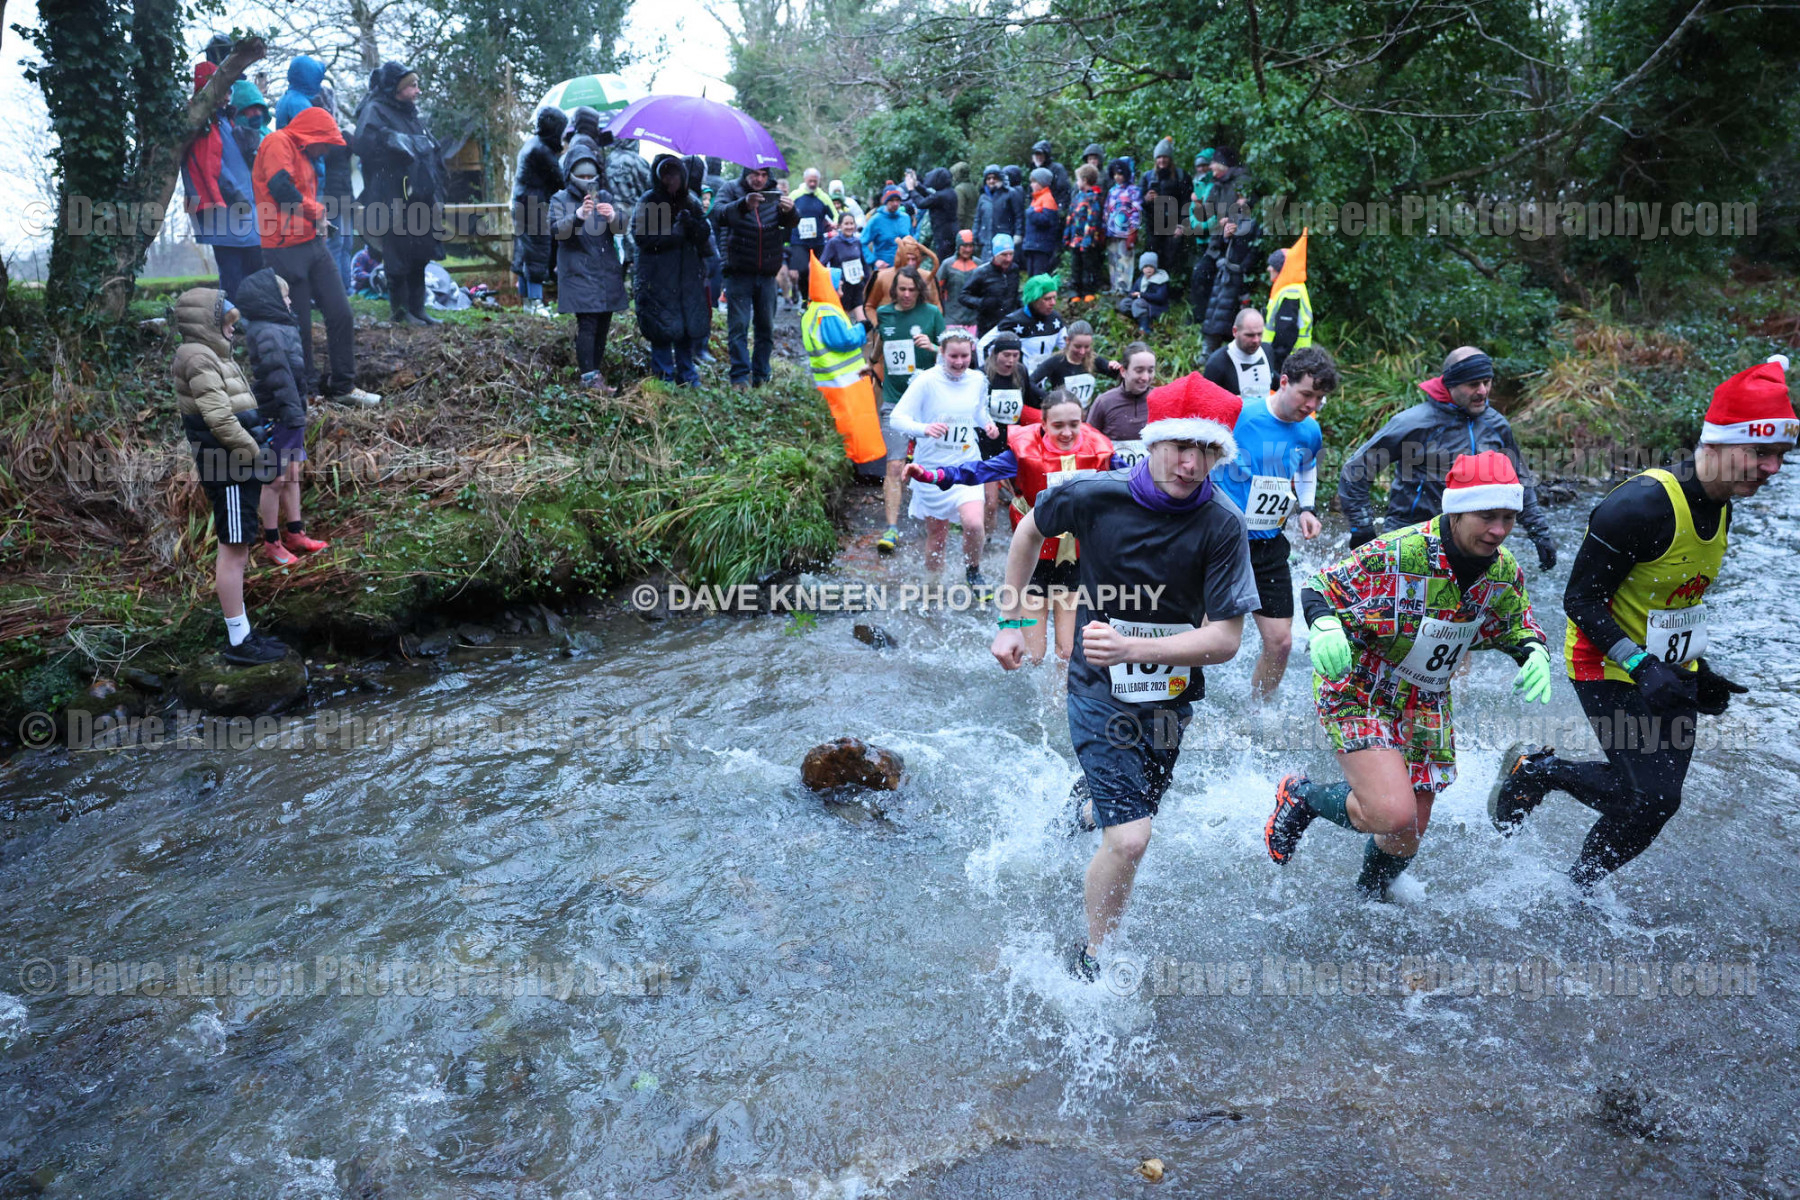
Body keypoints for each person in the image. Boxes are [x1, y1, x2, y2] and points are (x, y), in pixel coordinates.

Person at [1490, 356, 1794, 889]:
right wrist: (1640, 663)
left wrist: (1698, 669)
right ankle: (1537, 772)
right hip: (1605, 660)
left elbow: (1672, 597)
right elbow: (1579, 601)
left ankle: (1578, 889)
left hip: (1667, 667)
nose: (1773, 468)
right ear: (1717, 444)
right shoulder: (1639, 506)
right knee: (1651, 794)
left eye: (1782, 455)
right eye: (1760, 453)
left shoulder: (1724, 501)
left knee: (1657, 805)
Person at [993, 372, 1255, 981]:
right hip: (1094, 687)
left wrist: (1133, 645)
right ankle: (1092, 959)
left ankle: (1080, 809)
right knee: (1132, 838)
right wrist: (1010, 618)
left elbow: (1225, 640)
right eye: (1180, 447)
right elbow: (1030, 530)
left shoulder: (1223, 524)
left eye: (1206, 451)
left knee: (1128, 813)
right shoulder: (1093, 495)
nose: (1191, 464)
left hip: (1170, 697)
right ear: (1153, 441)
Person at [1264, 452, 1554, 898]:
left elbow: (1517, 624)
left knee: (1409, 830)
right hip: (1360, 686)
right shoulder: (1400, 552)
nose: (1498, 530)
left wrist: (1533, 651)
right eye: (1487, 516)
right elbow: (1320, 586)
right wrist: (1323, 625)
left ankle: (1369, 898)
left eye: (1508, 518)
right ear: (1456, 512)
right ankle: (1302, 796)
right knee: (1390, 813)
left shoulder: (1502, 571)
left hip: (1425, 698)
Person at [909, 391, 1120, 661]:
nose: (1067, 433)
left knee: (1068, 653)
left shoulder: (1100, 451)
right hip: (1034, 561)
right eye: (1058, 426)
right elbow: (977, 471)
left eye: (1074, 424)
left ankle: (1062, 691)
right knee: (1034, 656)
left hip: (1076, 560)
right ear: (1043, 423)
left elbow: (1136, 479)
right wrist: (933, 475)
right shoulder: (1024, 453)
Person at [1339, 347, 1557, 570]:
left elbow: (1518, 482)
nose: (1483, 391)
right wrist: (1362, 526)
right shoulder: (1413, 424)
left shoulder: (1497, 425)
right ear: (1450, 384)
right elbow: (1356, 469)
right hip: (1412, 538)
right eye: (1473, 384)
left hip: (1474, 542)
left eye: (1487, 382)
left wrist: (1539, 532)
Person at [1210, 347, 1337, 699]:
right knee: (1211, 637)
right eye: (1306, 394)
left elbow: (1307, 467)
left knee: (1281, 643)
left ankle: (1259, 709)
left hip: (1269, 544)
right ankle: (1184, 699)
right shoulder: (1240, 414)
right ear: (1283, 382)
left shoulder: (1309, 430)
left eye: (1319, 398)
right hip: (1223, 542)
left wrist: (1307, 508)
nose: (1311, 404)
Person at [172, 286, 289, 665]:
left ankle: (244, 633)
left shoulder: (213, 354)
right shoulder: (198, 358)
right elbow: (220, 420)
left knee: (237, 547)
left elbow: (238, 409)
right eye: (227, 321)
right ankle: (239, 641)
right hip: (230, 468)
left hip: (238, 463)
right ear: (207, 322)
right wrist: (258, 456)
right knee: (234, 550)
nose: (233, 328)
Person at [252, 107, 379, 405]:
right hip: (283, 248)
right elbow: (280, 188)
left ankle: (343, 387)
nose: (327, 150)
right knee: (300, 325)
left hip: (312, 243)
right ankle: (307, 393)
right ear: (312, 135)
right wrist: (318, 212)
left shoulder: (306, 154)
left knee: (341, 312)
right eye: (326, 143)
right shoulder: (277, 142)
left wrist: (318, 222)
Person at [231, 268, 329, 568]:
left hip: (291, 410)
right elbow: (279, 376)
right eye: (284, 296)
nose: (289, 301)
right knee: (274, 479)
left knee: (293, 472)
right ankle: (272, 542)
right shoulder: (267, 332)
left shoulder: (281, 326)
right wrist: (292, 412)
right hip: (278, 413)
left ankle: (295, 533)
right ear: (269, 299)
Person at [887, 331, 998, 582]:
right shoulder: (926, 381)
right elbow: (897, 418)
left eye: (964, 356)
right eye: (953, 356)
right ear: (941, 353)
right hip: (932, 469)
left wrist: (988, 425)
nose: (959, 362)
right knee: (938, 536)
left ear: (972, 353)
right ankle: (933, 586)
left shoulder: (977, 380)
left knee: (974, 524)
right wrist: (924, 428)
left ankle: (973, 571)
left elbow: (979, 411)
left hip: (966, 464)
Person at [353, 61, 448, 328]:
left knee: (421, 252)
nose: (418, 91)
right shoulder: (375, 110)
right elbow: (363, 145)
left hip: (420, 196)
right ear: (396, 88)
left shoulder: (410, 114)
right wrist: (390, 140)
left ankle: (419, 309)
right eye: (412, 86)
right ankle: (400, 311)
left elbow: (428, 150)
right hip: (392, 196)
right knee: (397, 253)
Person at [870, 266, 945, 553]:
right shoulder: (885, 314)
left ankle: (940, 518)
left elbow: (955, 354)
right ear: (894, 290)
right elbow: (881, 340)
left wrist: (935, 347)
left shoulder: (932, 314)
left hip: (928, 402)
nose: (906, 294)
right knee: (894, 465)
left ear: (920, 290)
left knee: (936, 463)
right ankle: (891, 528)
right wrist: (872, 361)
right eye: (902, 289)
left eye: (912, 289)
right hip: (894, 401)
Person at [711, 164, 798, 388]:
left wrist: (791, 211)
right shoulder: (731, 189)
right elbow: (718, 214)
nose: (759, 179)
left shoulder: (774, 194)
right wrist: (743, 205)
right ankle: (740, 376)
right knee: (739, 326)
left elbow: (790, 225)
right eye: (755, 174)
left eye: (763, 175)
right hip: (738, 271)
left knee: (765, 327)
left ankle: (761, 375)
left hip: (767, 273)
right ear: (746, 174)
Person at [181, 63, 262, 302]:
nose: (228, 96)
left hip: (239, 204)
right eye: (224, 90)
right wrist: (236, 193)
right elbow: (212, 165)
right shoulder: (203, 121)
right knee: (233, 269)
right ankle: (234, 317)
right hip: (225, 206)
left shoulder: (222, 119)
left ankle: (248, 314)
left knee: (250, 265)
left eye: (230, 90)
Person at [551, 141, 628, 393]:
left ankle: (595, 375)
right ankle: (588, 377)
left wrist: (613, 217)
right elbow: (556, 231)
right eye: (581, 176)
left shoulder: (605, 197)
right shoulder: (560, 198)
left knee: (603, 324)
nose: (586, 180)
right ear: (570, 174)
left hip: (605, 271)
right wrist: (578, 216)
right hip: (579, 271)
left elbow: (622, 228)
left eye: (590, 176)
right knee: (588, 323)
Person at [631, 154, 713, 385]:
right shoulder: (649, 201)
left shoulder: (690, 201)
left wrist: (692, 224)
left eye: (675, 174)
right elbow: (641, 237)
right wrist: (673, 234)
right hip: (658, 276)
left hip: (686, 277)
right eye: (666, 174)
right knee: (662, 328)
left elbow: (704, 235)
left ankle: (688, 376)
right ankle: (664, 378)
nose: (670, 179)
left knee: (685, 327)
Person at [1193, 151, 1256, 348]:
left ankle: (1221, 331)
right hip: (1217, 242)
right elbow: (1205, 213)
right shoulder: (1216, 185)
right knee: (1200, 274)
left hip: (1235, 246)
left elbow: (1247, 208)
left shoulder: (1241, 181)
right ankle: (1200, 320)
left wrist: (1231, 219)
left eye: (1213, 164)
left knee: (1225, 289)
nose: (1211, 168)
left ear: (1222, 165)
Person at [511, 105, 568, 319]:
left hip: (523, 203)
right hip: (533, 206)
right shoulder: (541, 150)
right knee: (537, 252)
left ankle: (529, 303)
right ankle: (535, 302)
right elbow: (561, 180)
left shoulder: (532, 144)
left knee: (526, 252)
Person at [1085, 343, 1157, 464]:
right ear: (1123, 371)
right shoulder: (1104, 402)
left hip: (1152, 474)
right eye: (1139, 371)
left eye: (1150, 370)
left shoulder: (1161, 399)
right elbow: (1088, 444)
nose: (1145, 377)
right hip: (1113, 474)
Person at [1137, 138, 1193, 284]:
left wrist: (1182, 225)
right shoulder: (1147, 177)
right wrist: (1146, 199)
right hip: (1153, 227)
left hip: (1174, 225)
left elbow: (1186, 202)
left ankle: (1172, 289)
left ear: (1170, 158)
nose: (1162, 160)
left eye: (1165, 157)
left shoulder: (1181, 176)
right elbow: (1137, 203)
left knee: (1173, 259)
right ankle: (1153, 289)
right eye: (1159, 157)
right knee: (1154, 259)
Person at [1030, 319, 1120, 410]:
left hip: (1086, 414)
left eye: (1087, 347)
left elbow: (1122, 377)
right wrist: (1049, 398)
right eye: (1077, 346)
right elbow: (1030, 381)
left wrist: (1116, 367)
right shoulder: (1056, 361)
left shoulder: (1094, 359)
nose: (1082, 352)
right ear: (1067, 340)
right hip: (1062, 413)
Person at [990, 273, 1066, 372]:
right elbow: (984, 346)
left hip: (1045, 376)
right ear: (1033, 299)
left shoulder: (1055, 319)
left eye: (1054, 298)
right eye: (1047, 299)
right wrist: (989, 374)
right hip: (1020, 377)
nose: (1053, 303)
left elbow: (1067, 348)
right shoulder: (1013, 321)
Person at [790, 168, 838, 303]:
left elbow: (835, 215)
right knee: (803, 270)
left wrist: (835, 223)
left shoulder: (823, 197)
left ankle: (816, 298)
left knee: (818, 271)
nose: (812, 184)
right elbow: (784, 211)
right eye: (810, 181)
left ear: (819, 181)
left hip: (817, 240)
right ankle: (804, 299)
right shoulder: (795, 195)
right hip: (798, 240)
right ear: (805, 180)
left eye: (815, 181)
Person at [1264, 247, 1313, 380]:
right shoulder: (1291, 288)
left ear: (1281, 269)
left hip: (1287, 360)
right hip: (1293, 358)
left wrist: (1276, 363)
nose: (1269, 269)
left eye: (1272, 265)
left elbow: (1285, 334)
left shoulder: (1290, 292)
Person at [1201, 308, 1271, 401]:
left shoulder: (1267, 350)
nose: (1256, 340)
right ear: (1235, 331)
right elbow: (1206, 402)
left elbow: (1275, 380)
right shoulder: (1217, 362)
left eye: (1260, 334)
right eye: (1250, 335)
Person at [861, 236, 942, 315]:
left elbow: (937, 306)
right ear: (899, 258)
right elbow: (869, 307)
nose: (910, 263)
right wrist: (877, 323)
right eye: (907, 258)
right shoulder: (882, 277)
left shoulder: (927, 276)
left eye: (913, 259)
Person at [960, 235, 1022, 336]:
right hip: (988, 326)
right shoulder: (982, 272)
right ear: (995, 254)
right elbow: (963, 296)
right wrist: (982, 303)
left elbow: (1014, 294)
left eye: (1011, 254)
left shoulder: (1014, 269)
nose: (1008, 259)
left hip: (1010, 324)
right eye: (1004, 255)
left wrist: (1021, 308)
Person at [1063, 163, 1106, 302]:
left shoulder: (1093, 198)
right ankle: (1075, 291)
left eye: (1078, 179)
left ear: (1085, 180)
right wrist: (1067, 236)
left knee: (1089, 266)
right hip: (1075, 240)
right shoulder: (1077, 197)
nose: (1077, 182)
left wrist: (1088, 240)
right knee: (1075, 265)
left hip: (1087, 241)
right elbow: (1070, 217)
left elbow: (1093, 220)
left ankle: (1088, 291)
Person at [1102, 158, 1142, 296]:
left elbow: (1136, 211)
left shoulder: (1133, 191)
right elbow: (1106, 210)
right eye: (1114, 174)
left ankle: (1124, 288)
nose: (1117, 177)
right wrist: (1104, 227)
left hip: (1126, 232)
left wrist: (1133, 230)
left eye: (1120, 174)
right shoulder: (1112, 190)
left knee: (1125, 259)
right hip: (1111, 231)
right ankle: (1114, 287)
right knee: (1112, 259)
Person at [819, 211, 867, 322]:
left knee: (863, 320)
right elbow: (822, 264)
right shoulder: (833, 243)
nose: (849, 227)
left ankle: (863, 334)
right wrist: (834, 280)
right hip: (842, 288)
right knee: (845, 321)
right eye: (846, 224)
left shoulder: (857, 242)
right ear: (840, 226)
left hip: (857, 285)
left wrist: (866, 281)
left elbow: (863, 263)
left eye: (851, 223)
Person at [936, 229, 984, 337]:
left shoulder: (979, 264)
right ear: (958, 246)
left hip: (974, 320)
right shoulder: (947, 265)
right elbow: (937, 288)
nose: (968, 249)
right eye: (964, 246)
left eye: (970, 246)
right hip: (953, 318)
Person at [860, 188, 914, 272]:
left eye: (897, 200)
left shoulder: (905, 218)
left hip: (904, 267)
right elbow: (862, 243)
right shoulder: (876, 220)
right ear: (885, 201)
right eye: (891, 200)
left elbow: (912, 240)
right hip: (885, 267)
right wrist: (874, 261)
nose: (895, 203)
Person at [1021, 168, 1061, 278]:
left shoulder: (1047, 199)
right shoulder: (1036, 198)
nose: (1031, 185)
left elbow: (1047, 220)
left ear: (1042, 183)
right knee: (1032, 276)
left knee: (1038, 277)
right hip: (1033, 245)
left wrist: (1030, 213)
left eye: (1034, 182)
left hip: (1041, 247)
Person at [973, 164, 1020, 258]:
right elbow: (977, 218)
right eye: (988, 178)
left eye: (995, 178)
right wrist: (974, 235)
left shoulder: (1010, 193)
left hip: (1004, 240)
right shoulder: (983, 197)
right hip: (986, 240)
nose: (991, 181)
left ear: (1000, 178)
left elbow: (1018, 216)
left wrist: (1018, 234)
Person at [914, 166, 960, 262]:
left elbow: (921, 204)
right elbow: (930, 196)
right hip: (951, 233)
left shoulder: (941, 196)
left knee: (943, 262)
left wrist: (911, 190)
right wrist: (917, 185)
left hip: (943, 236)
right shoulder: (950, 192)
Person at [1127, 251, 1171, 333]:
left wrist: (1142, 295)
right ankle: (1136, 320)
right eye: (1146, 266)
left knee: (1138, 303)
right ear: (1142, 268)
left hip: (1154, 306)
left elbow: (1160, 297)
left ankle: (1145, 327)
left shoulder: (1160, 279)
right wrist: (1132, 295)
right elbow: (1133, 291)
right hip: (1141, 303)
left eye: (1151, 266)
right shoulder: (1141, 279)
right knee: (1125, 303)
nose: (1148, 269)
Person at [1030, 139, 1073, 218]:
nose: (1038, 157)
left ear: (1046, 155)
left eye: (1041, 154)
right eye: (1036, 154)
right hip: (1038, 209)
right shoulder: (1035, 170)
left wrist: (1061, 210)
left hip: (1052, 209)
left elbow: (1064, 190)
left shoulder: (1057, 169)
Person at [951, 161, 978, 234]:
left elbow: (960, 213)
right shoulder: (973, 187)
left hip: (966, 228)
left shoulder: (959, 189)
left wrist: (957, 230)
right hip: (974, 226)